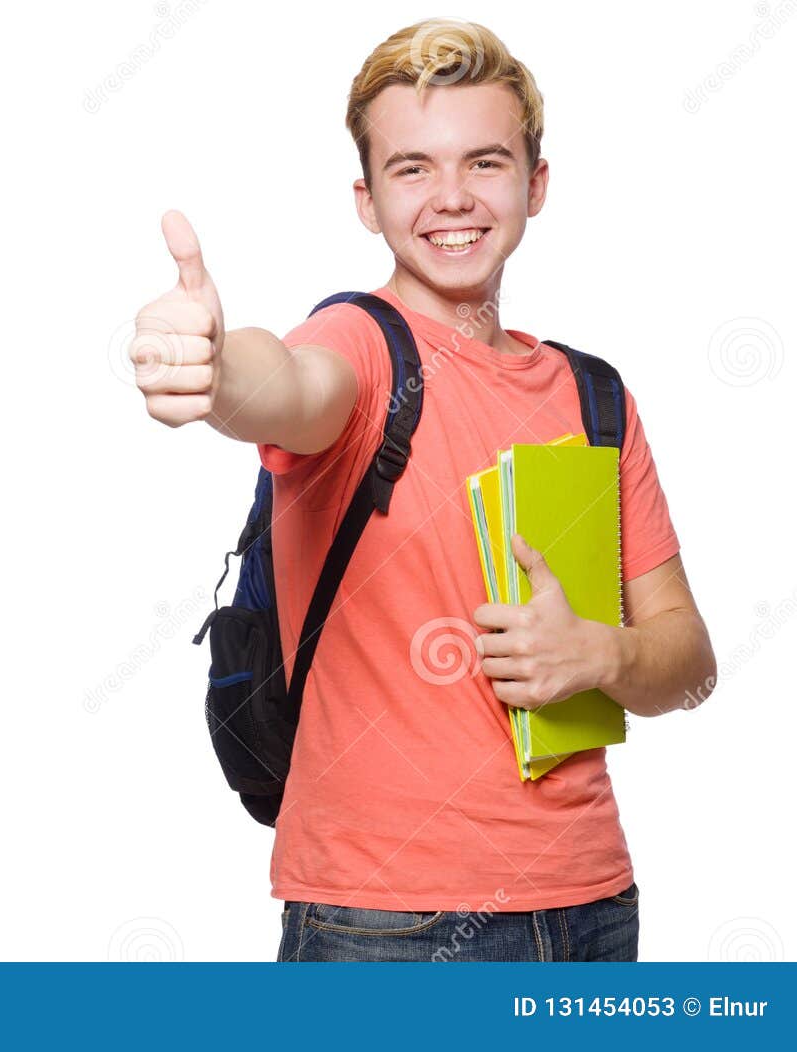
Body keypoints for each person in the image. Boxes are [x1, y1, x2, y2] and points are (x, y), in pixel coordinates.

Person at [129, 18, 714, 961]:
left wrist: (599, 653)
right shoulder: (360, 345)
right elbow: (286, 385)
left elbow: (689, 661)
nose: (452, 199)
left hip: (594, 907)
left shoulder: (595, 394)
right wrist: (216, 376)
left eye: (485, 163)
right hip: (384, 927)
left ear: (537, 182)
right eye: (412, 169)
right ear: (366, 200)